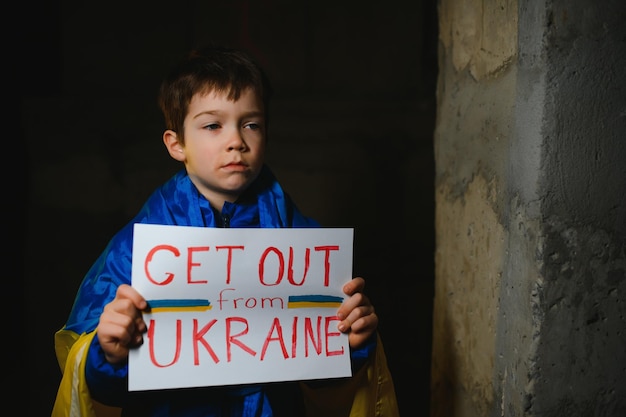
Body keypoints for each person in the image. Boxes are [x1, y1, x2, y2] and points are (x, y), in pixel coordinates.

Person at [52, 44, 399, 417]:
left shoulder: (302, 246)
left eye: (251, 123)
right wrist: (107, 352)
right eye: (213, 125)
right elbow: (101, 387)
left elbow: (320, 371)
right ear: (177, 144)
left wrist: (351, 343)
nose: (236, 140)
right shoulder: (137, 250)